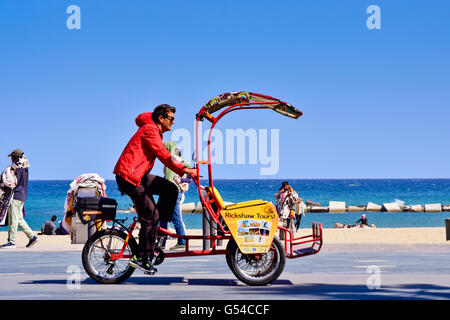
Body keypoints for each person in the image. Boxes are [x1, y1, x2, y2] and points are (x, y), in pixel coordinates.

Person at [113, 104, 197, 273]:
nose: (173, 122)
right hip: (129, 177)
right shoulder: (150, 130)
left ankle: (158, 232)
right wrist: (185, 170)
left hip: (138, 175)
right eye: (171, 119)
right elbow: (162, 154)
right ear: (161, 118)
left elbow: (164, 155)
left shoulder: (153, 130)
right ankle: (141, 256)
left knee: (170, 189)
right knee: (150, 214)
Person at [0, 149, 39, 249]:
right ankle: (32, 237)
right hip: (22, 195)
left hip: (16, 195)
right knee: (19, 219)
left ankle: (11, 241)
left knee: (13, 219)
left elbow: (12, 182)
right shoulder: (25, 167)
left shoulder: (16, 168)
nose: (11, 159)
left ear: (15, 157)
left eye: (12, 157)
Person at [159, 141, 191, 250]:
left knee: (175, 218)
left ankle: (182, 242)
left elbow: (188, 176)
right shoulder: (177, 162)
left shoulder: (172, 161)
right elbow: (190, 175)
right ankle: (161, 243)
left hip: (172, 193)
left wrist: (180, 180)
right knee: (163, 218)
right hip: (170, 193)